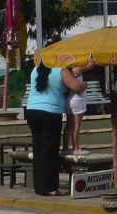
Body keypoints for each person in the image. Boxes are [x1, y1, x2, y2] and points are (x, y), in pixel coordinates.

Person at [25, 60, 92, 196]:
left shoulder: (35, 69)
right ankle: (49, 188)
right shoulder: (60, 71)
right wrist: (86, 84)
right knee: (50, 151)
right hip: (50, 112)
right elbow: (77, 87)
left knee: (38, 150)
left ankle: (39, 186)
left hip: (32, 110)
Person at [64, 67, 89, 156]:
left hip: (69, 99)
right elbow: (91, 65)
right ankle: (76, 148)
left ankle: (65, 148)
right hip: (78, 99)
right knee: (76, 126)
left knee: (69, 126)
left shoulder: (67, 72)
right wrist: (86, 84)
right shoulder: (77, 69)